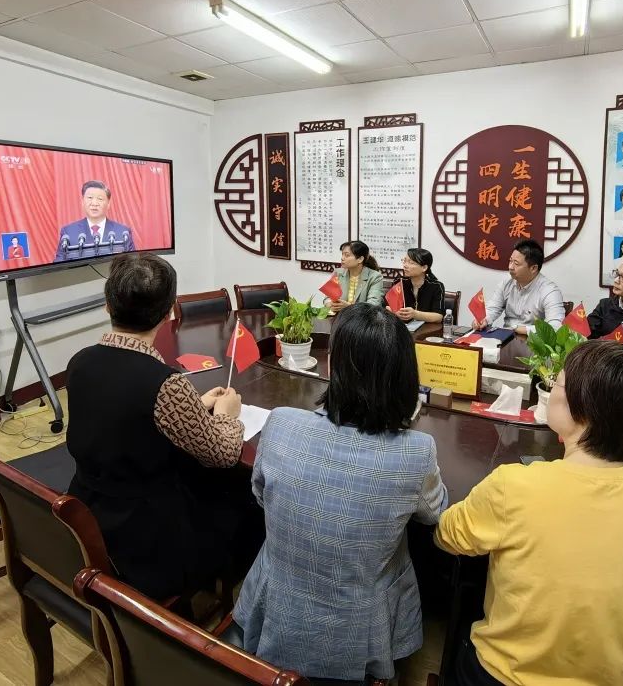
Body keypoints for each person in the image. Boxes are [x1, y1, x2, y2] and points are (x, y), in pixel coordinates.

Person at [435, 340, 623, 686]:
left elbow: (447, 535)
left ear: (582, 412)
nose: (549, 390)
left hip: (504, 674)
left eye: (557, 384)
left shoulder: (514, 485)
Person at [232, 304, 448, 683]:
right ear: (405, 377)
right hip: (360, 628)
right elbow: (435, 513)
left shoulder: (281, 423)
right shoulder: (416, 451)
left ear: (332, 367)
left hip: (277, 606)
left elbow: (262, 496)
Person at [65, 253, 260, 601]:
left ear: (108, 305)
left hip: (89, 511)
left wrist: (193, 406)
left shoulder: (79, 361)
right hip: (148, 539)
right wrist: (228, 414)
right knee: (248, 500)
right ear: (169, 311)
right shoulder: (165, 384)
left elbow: (122, 416)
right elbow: (223, 455)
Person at [472, 238, 565, 335]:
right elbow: (493, 309)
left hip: (533, 341)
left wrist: (517, 328)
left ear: (533, 268)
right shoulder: (506, 284)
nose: (510, 267)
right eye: (510, 261)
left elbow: (555, 328)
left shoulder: (550, 291)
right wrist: (483, 319)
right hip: (507, 338)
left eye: (516, 263)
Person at [53, 180, 135, 262]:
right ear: (82, 201)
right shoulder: (69, 232)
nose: (94, 203)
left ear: (108, 203)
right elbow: (59, 265)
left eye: (100, 199)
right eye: (90, 198)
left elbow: (132, 264)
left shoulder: (123, 232)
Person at [328, 240, 384, 311]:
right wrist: (330, 304)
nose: (342, 258)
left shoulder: (375, 277)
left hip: (363, 317)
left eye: (347, 255)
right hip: (339, 315)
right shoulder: (338, 273)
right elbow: (327, 297)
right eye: (342, 254)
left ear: (360, 259)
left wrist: (349, 307)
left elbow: (373, 305)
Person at [395, 247, 445, 323]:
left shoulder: (436, 286)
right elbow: (387, 306)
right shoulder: (399, 282)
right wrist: (395, 312)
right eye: (404, 261)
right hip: (402, 326)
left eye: (411, 263)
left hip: (427, 328)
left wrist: (415, 314)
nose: (405, 265)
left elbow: (438, 317)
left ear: (424, 268)